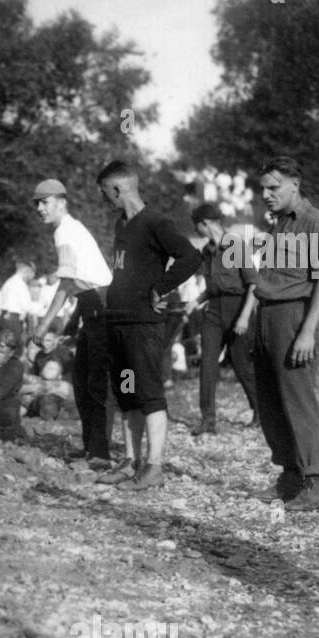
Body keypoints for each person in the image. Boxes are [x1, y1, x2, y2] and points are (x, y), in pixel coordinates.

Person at [231, 156, 319, 510]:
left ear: (295, 183)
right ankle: (289, 475)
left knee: (297, 399)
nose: (266, 194)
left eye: (274, 187)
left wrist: (307, 331)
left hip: (294, 316)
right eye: (263, 187)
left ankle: (313, 482)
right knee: (270, 401)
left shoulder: (314, 222)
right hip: (267, 316)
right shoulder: (278, 225)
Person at [92, 160, 202, 491]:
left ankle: (154, 468)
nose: (105, 200)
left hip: (144, 324)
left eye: (105, 193)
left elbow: (190, 257)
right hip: (119, 321)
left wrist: (160, 288)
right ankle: (130, 461)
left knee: (149, 394)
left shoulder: (155, 221)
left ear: (117, 188)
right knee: (126, 395)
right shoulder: (120, 225)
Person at [35, 178, 115, 466]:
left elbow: (67, 282)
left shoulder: (65, 231)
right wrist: (71, 325)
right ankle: (91, 447)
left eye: (45, 202)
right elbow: (80, 285)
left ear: (62, 202)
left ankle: (101, 455)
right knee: (81, 381)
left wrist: (44, 325)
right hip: (91, 305)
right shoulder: (68, 230)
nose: (40, 209)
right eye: (37, 204)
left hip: (102, 306)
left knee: (96, 384)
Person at [188, 203, 260, 434]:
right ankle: (208, 420)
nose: (196, 231)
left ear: (205, 223)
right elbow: (212, 288)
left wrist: (244, 317)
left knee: (241, 366)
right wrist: (195, 301)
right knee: (207, 364)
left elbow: (253, 283)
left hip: (238, 307)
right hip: (215, 311)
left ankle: (260, 411)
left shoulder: (234, 244)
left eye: (197, 226)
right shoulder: (207, 251)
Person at [0, 256, 37, 342]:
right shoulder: (20, 285)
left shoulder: (9, 282)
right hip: (13, 319)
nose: (32, 276)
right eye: (32, 273)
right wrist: (41, 305)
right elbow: (27, 306)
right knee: (13, 345)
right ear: (27, 271)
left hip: (5, 317)